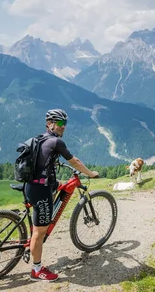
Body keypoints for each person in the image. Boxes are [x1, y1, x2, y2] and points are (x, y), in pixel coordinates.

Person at [24, 108, 99, 282]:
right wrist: (90, 174)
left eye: (65, 123)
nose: (63, 127)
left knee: (59, 186)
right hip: (40, 191)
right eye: (59, 123)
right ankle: (37, 270)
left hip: (33, 185)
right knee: (39, 232)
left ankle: (34, 239)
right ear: (49, 124)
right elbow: (75, 161)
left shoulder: (39, 138)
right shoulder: (56, 142)